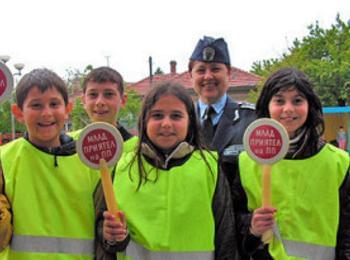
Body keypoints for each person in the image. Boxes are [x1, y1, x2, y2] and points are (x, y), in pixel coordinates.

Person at [99, 81, 237, 259]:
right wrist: (112, 238)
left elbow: (226, 236)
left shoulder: (209, 166)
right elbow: (106, 240)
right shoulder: (121, 168)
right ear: (144, 121)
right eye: (157, 115)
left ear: (190, 121)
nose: (166, 124)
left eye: (176, 116)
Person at [230, 68, 350, 259]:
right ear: (266, 105)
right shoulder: (246, 162)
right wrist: (251, 227)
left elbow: (346, 235)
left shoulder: (339, 163)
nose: (288, 109)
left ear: (310, 106)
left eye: (297, 100)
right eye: (279, 100)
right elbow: (232, 225)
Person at [0, 68, 99, 259]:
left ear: (68, 109)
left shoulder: (90, 161)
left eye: (54, 104)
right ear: (18, 112)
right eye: (36, 105)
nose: (46, 113)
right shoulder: (4, 160)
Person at [75, 66, 135, 260]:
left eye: (109, 94)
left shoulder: (138, 150)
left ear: (122, 100)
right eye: (93, 95)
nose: (100, 102)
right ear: (83, 100)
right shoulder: (69, 147)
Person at [188, 36, 256, 187]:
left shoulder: (253, 120)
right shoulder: (182, 122)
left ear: (228, 73)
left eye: (215, 69)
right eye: (200, 70)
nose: (208, 76)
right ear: (190, 76)